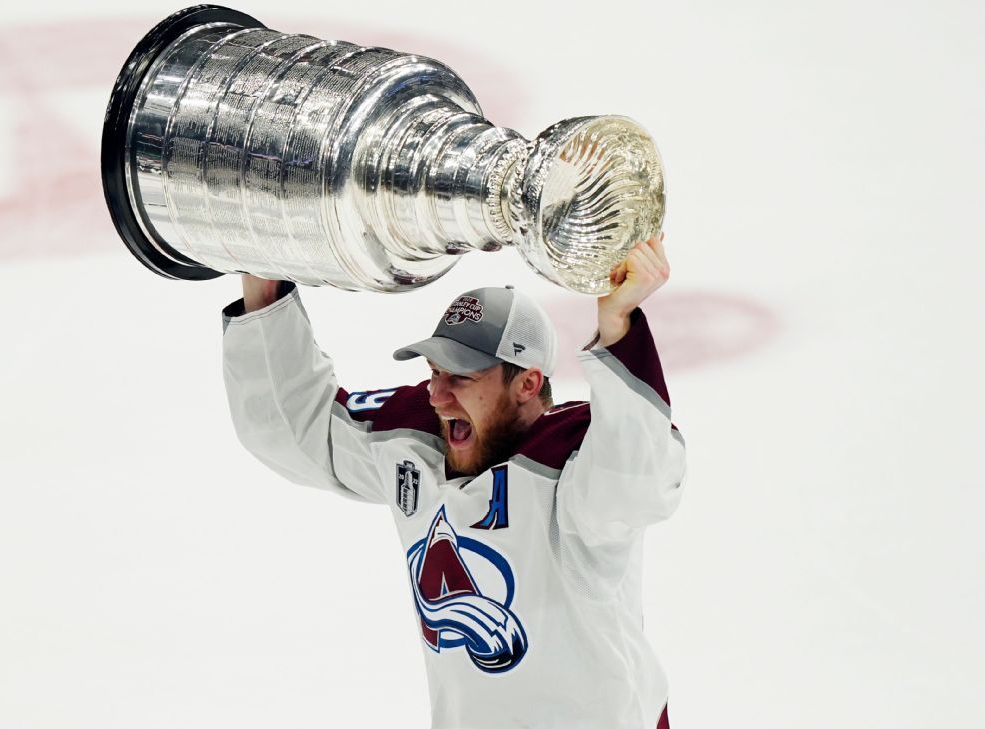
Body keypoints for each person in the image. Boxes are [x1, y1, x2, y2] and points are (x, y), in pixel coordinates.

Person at [221, 234, 685, 729]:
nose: (438, 395)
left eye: (461, 376)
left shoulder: (569, 467)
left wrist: (618, 325)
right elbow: (294, 429)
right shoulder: (416, 441)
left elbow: (638, 479)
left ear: (527, 383)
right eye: (434, 370)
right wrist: (263, 284)